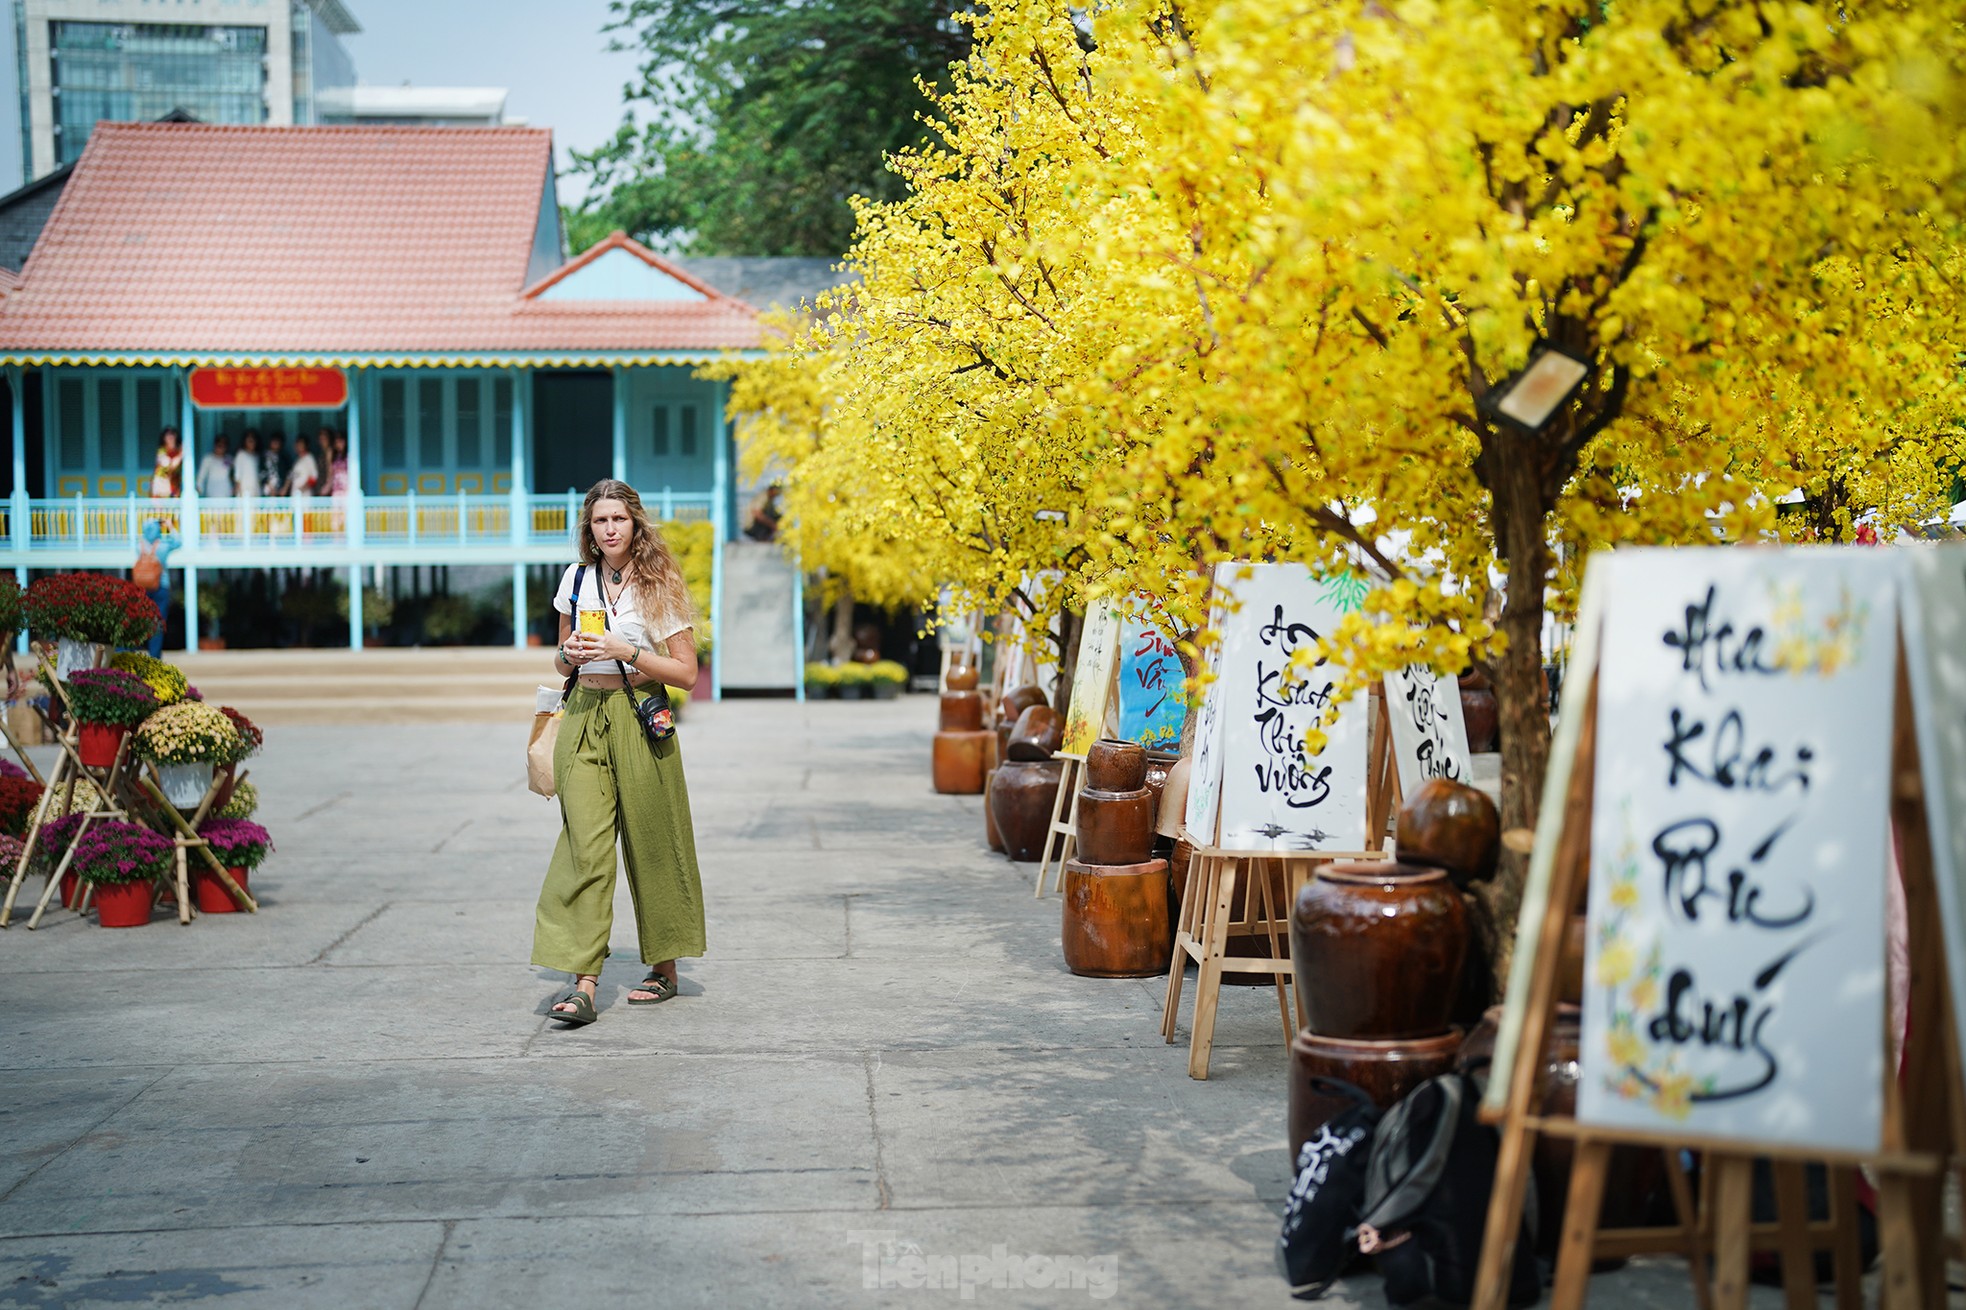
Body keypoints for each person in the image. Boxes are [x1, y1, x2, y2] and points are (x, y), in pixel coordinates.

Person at [534, 478, 705, 1025]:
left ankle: (665, 968)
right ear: (589, 528)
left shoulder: (660, 583)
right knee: (585, 847)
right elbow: (559, 662)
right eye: (600, 520)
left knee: (653, 841)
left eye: (619, 519)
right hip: (584, 715)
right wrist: (572, 653)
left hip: (639, 718)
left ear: (635, 524)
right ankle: (583, 980)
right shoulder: (575, 578)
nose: (609, 529)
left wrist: (626, 649)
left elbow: (686, 674)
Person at [132, 519, 179, 658]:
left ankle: (133, 650)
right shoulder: (163, 546)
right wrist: (170, 527)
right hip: (160, 587)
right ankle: (155, 655)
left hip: (142, 587)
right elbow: (178, 542)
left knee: (140, 620)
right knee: (157, 623)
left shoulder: (139, 546)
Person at [195, 435, 234, 499]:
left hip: (227, 495)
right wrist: (198, 491)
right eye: (219, 445)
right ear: (215, 445)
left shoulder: (229, 459)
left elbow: (236, 475)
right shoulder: (208, 459)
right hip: (211, 495)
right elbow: (201, 477)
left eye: (224, 446)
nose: (221, 448)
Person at [149, 427, 184, 499]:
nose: (171, 439)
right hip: (161, 487)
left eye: (173, 436)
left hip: (174, 486)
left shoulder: (178, 451)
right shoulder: (161, 452)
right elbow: (170, 466)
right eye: (168, 437)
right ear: (164, 439)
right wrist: (181, 454)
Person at [233, 430, 261, 510]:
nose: (252, 443)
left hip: (256, 492)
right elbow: (237, 476)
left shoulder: (257, 456)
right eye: (249, 441)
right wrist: (240, 494)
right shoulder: (241, 454)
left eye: (253, 441)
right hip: (244, 493)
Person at [261, 432, 288, 498]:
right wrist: (270, 488)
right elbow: (261, 473)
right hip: (267, 492)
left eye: (278, 441)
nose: (275, 443)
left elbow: (289, 474)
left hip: (281, 492)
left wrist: (285, 488)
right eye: (274, 441)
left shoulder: (284, 457)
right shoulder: (264, 456)